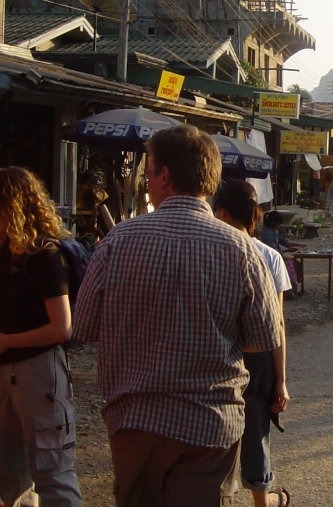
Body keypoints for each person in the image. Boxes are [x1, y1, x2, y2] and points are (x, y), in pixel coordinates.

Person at [74, 124, 283, 507]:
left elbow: (83, 326)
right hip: (210, 425)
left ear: (164, 175)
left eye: (149, 171)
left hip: (135, 420)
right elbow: (263, 339)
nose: (147, 182)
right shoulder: (243, 250)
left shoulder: (117, 242)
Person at [0, 167, 84, 507]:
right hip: (9, 373)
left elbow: (62, 327)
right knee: (9, 474)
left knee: (53, 475)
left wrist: (7, 341)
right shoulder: (8, 253)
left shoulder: (45, 255)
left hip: (39, 373)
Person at [213, 180, 291, 507]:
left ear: (221, 212)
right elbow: (278, 326)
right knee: (256, 433)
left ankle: (221, 496)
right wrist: (281, 380)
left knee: (217, 434)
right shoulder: (270, 257)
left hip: (218, 357)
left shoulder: (210, 251)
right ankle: (264, 502)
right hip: (256, 361)